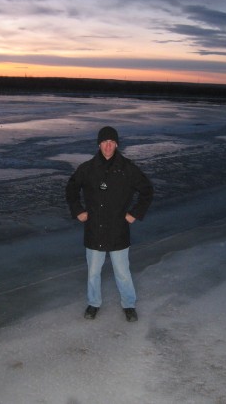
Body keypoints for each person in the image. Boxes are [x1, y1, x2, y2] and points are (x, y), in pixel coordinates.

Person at [66, 126, 153, 322]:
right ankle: (93, 303)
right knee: (93, 273)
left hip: (118, 230)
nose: (108, 146)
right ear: (99, 144)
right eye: (104, 142)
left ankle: (129, 304)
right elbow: (71, 188)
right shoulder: (87, 168)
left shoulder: (127, 168)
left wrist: (134, 213)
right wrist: (78, 210)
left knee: (122, 272)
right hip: (94, 230)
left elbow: (147, 190)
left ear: (117, 144)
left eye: (111, 142)